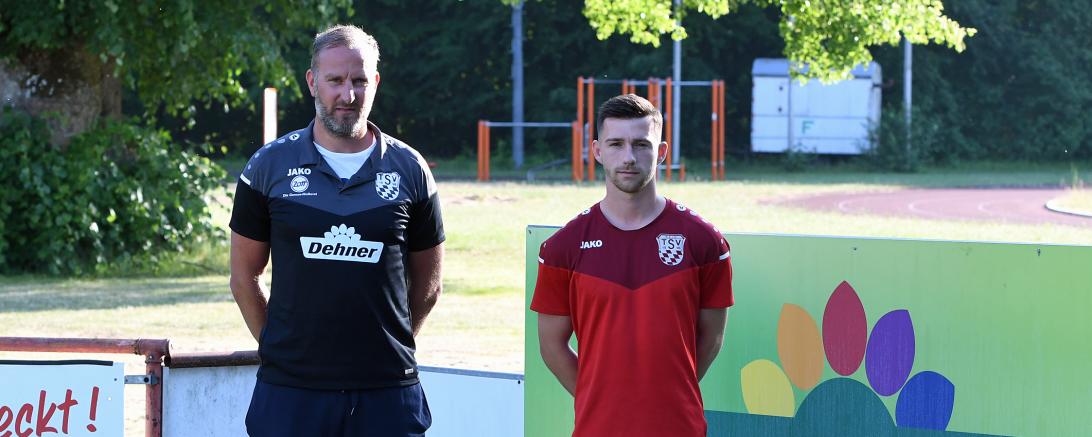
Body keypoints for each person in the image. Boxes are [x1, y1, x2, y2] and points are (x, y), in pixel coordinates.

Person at [228, 24, 443, 437]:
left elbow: (428, 286)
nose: (348, 95)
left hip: (387, 390)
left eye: (360, 81)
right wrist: (281, 348)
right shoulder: (267, 167)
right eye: (335, 81)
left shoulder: (410, 168)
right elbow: (243, 279)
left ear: (375, 82)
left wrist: (386, 345)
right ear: (312, 82)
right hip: (291, 391)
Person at [531, 94, 733, 437]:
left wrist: (665, 396)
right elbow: (551, 345)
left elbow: (711, 339)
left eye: (641, 144)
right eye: (616, 144)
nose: (628, 157)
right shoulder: (562, 248)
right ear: (596, 151)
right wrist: (601, 398)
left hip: (680, 427)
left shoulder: (705, 242)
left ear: (662, 152)